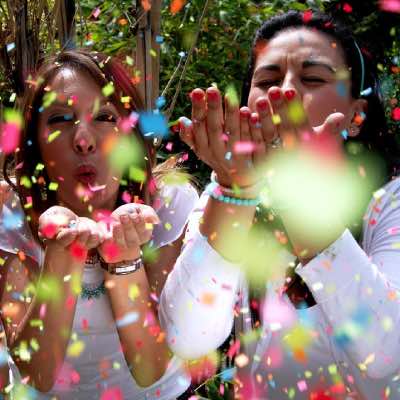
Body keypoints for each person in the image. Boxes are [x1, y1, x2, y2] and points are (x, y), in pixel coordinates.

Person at [160, 10, 400, 399]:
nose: (282, 93)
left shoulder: (389, 200)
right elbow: (187, 338)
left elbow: (386, 352)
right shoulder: (225, 198)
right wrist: (235, 193)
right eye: (267, 80)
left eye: (313, 79)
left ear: (357, 114)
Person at [0, 49, 199, 399]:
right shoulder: (14, 214)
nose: (84, 140)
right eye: (60, 119)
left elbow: (150, 366)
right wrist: (64, 253)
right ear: (37, 147)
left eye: (105, 117)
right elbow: (37, 373)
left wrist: (123, 259)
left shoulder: (167, 205)